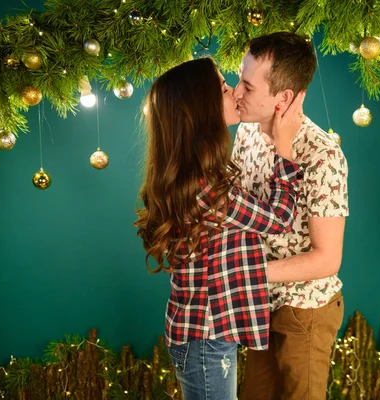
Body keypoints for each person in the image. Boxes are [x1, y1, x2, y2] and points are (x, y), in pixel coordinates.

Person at [133, 57, 306, 400]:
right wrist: (283, 147)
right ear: (203, 108)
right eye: (225, 88)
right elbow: (280, 218)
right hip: (205, 341)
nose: (235, 92)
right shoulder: (206, 189)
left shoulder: (195, 175)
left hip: (203, 336)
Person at [232, 32, 349, 400]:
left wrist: (249, 273)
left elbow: (327, 259)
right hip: (259, 306)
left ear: (283, 98)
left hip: (306, 310)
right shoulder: (247, 132)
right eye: (239, 79)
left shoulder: (322, 157)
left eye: (248, 87)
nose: (236, 92)